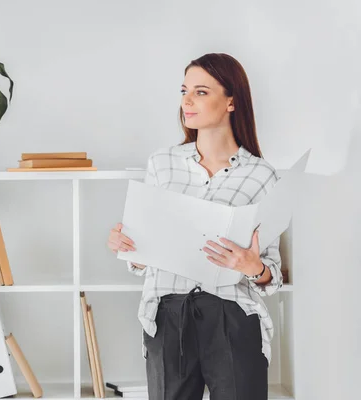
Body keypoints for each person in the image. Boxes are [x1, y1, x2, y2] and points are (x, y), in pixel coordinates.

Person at [106, 53, 283, 400]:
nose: (186, 100)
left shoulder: (262, 176)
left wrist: (254, 267)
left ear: (231, 101)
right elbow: (142, 257)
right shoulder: (162, 164)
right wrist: (130, 245)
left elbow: (272, 275)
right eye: (184, 90)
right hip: (168, 314)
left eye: (201, 92)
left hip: (232, 314)